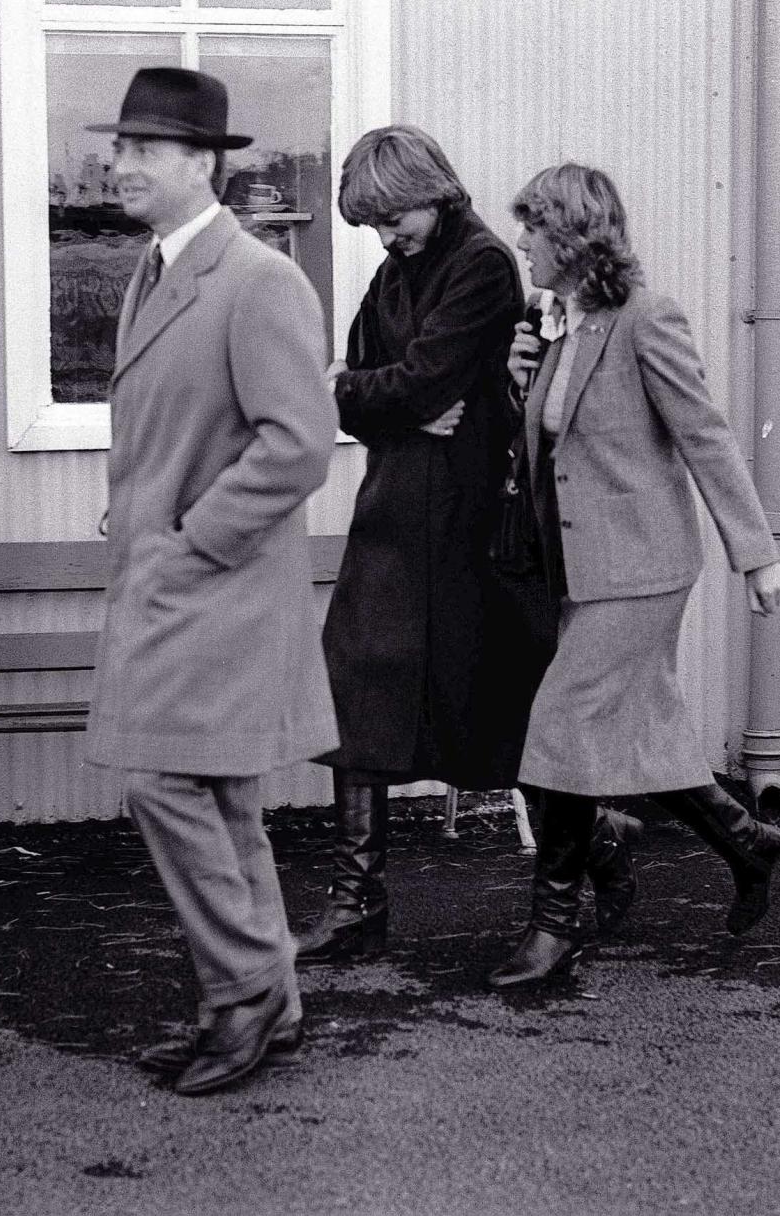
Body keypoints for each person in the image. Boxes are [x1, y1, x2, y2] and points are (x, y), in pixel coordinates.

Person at [297, 125, 638, 965]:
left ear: (433, 190)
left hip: (473, 527)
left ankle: (590, 851)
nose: (384, 236)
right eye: (371, 225)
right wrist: (384, 398)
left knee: (507, 713)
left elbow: (409, 381)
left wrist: (386, 395)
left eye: (392, 217)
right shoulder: (393, 274)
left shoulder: (482, 264)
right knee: (356, 696)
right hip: (391, 518)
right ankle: (355, 903)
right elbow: (345, 393)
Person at [83, 68, 339, 1092]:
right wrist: (138, 502)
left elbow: (299, 442)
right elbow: (184, 424)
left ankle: (240, 991)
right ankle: (269, 998)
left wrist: (192, 535)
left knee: (164, 779)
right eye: (122, 146)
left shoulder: (258, 279)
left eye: (145, 149)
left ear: (203, 164)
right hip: (173, 570)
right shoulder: (155, 268)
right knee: (219, 789)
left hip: (214, 580)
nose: (122, 163)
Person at [485, 162, 780, 990]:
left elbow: (706, 434)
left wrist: (757, 552)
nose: (520, 241)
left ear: (572, 235)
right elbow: (552, 454)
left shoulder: (645, 319)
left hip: (642, 566)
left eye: (532, 228)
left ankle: (553, 927)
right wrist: (520, 380)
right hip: (580, 569)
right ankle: (748, 842)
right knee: (639, 737)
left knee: (557, 728)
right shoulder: (557, 324)